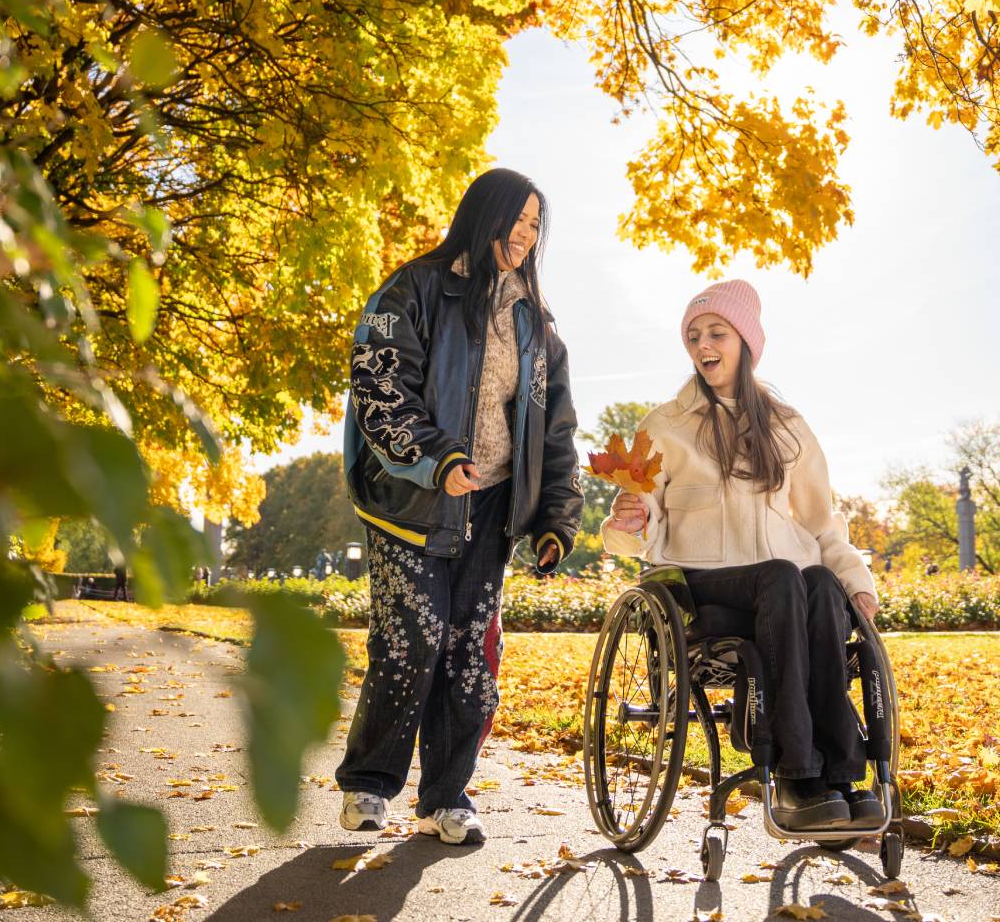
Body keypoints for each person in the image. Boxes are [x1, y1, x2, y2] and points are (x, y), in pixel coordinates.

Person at [334, 168, 583, 844]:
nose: (528, 236)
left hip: (492, 506)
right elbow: (381, 387)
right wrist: (437, 458)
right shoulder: (412, 288)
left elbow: (555, 430)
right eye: (519, 220)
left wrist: (555, 519)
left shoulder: (536, 325)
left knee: (469, 652)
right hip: (409, 501)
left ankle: (448, 795)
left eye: (538, 226)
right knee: (412, 640)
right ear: (485, 216)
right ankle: (368, 783)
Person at [602, 280, 879, 830]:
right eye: (692, 335)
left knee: (820, 583)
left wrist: (856, 579)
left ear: (745, 341)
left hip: (786, 595)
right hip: (703, 590)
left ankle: (843, 777)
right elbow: (636, 530)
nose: (702, 344)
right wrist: (626, 521)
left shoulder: (787, 426)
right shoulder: (664, 426)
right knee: (784, 576)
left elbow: (821, 522)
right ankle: (799, 776)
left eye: (715, 333)